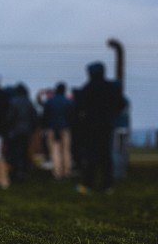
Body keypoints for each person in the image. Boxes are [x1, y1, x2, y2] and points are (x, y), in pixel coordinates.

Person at [75, 62, 126, 193]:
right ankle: (107, 185)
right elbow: (121, 104)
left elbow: (79, 107)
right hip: (107, 125)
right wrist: (111, 114)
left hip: (91, 126)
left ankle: (88, 184)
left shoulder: (87, 88)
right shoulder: (111, 88)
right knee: (106, 156)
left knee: (91, 156)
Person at [5, 83, 38, 183]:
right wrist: (32, 129)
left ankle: (16, 172)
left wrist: (8, 129)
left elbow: (9, 118)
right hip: (26, 131)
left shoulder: (13, 102)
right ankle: (23, 172)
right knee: (24, 152)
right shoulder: (29, 102)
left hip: (14, 132)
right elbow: (34, 118)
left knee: (15, 152)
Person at [42, 82, 74, 180]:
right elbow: (71, 116)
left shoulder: (50, 101)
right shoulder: (68, 102)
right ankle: (67, 171)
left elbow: (45, 116)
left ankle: (57, 173)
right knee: (66, 151)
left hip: (52, 129)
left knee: (55, 151)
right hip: (65, 128)